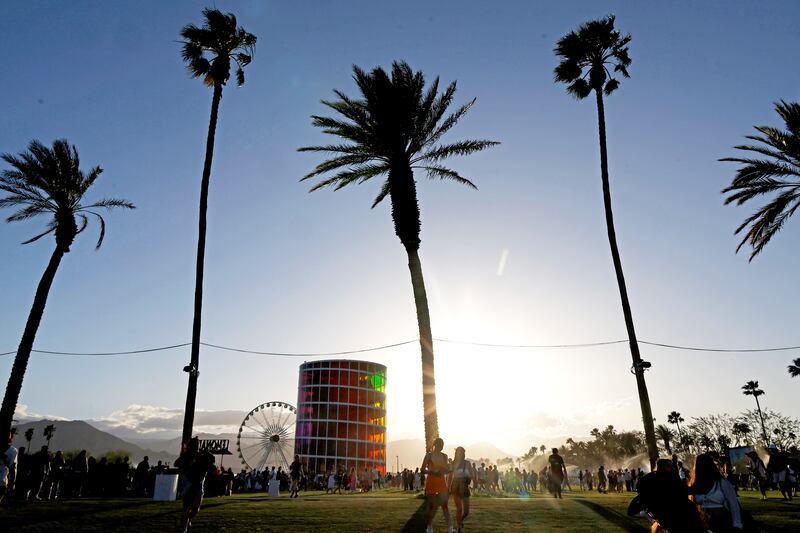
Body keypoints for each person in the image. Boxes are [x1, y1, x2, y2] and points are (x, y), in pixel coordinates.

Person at [628, 459, 706, 533]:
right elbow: (632, 510)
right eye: (669, 466)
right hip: (674, 517)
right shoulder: (668, 480)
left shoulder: (660, 479)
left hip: (671, 517)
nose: (672, 468)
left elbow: (631, 510)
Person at [689, 453, 743, 532]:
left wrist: (737, 524)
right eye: (700, 464)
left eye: (705, 464)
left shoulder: (722, 483)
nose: (703, 467)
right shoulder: (695, 485)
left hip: (722, 523)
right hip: (703, 524)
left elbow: (734, 504)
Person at [175, 437, 215, 533]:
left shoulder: (202, 455)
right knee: (187, 507)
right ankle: (183, 529)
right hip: (189, 483)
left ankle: (187, 521)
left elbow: (212, 465)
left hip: (197, 483)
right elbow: (177, 463)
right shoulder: (187, 455)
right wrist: (188, 464)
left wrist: (206, 455)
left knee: (195, 507)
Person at [421, 437, 452, 533]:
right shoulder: (428, 456)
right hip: (431, 482)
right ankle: (429, 527)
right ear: (435, 445)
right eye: (439, 445)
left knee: (445, 506)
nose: (441, 447)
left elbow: (447, 469)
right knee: (432, 505)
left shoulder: (444, 456)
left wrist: (448, 470)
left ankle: (450, 528)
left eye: (442, 446)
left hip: (442, 482)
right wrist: (432, 472)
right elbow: (422, 469)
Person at [449, 447, 471, 533]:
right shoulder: (453, 463)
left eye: (462, 452)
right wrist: (448, 487)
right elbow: (450, 476)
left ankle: (460, 521)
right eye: (458, 452)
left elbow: (470, 474)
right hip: (456, 486)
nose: (460, 454)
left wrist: (471, 479)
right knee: (459, 509)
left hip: (465, 486)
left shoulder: (467, 463)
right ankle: (459, 527)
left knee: (466, 512)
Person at [0, 433, 18, 504]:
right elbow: (13, 468)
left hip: (2, 480)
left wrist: (13, 482)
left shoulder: (13, 451)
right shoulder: (13, 450)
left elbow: (13, 467)